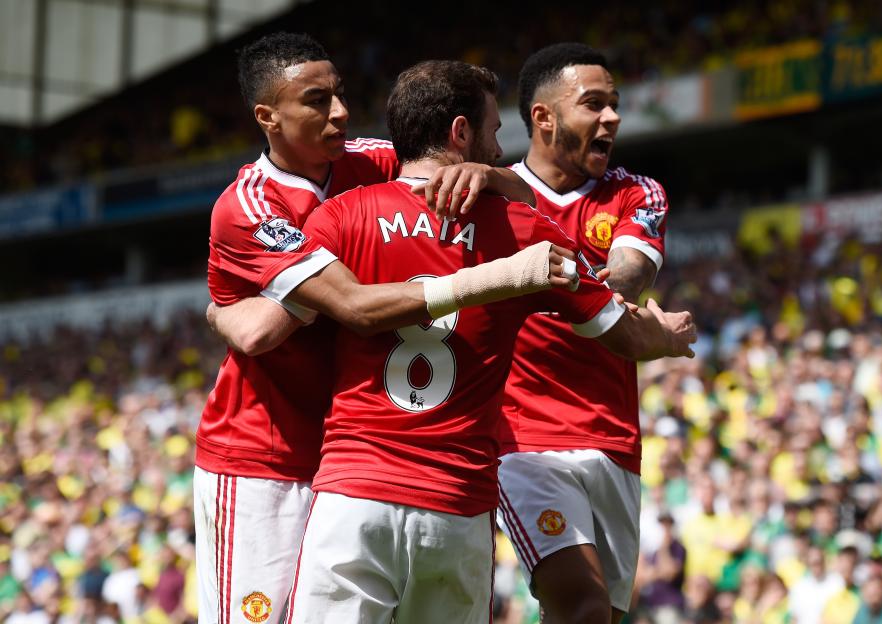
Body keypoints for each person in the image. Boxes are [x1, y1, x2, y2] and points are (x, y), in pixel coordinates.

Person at [281, 59, 696, 623]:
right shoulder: (523, 233)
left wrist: (223, 311)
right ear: (462, 133)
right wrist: (665, 336)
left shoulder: (339, 217)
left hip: (355, 494)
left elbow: (282, 324)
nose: (499, 151)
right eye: (494, 133)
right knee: (586, 608)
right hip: (462, 499)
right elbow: (622, 331)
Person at [195, 32, 574, 624]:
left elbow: (522, 193)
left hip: (354, 460)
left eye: (339, 94)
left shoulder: (372, 160)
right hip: (265, 459)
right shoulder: (249, 205)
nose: (340, 112)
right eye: (316, 101)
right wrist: (238, 316)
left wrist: (488, 174)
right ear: (267, 117)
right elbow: (308, 320)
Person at [496, 42, 672, 623]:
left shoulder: (637, 193)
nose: (612, 117)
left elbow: (627, 277)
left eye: (614, 104)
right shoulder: (492, 199)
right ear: (543, 117)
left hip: (614, 441)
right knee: (585, 608)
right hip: (527, 442)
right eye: (594, 104)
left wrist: (545, 278)